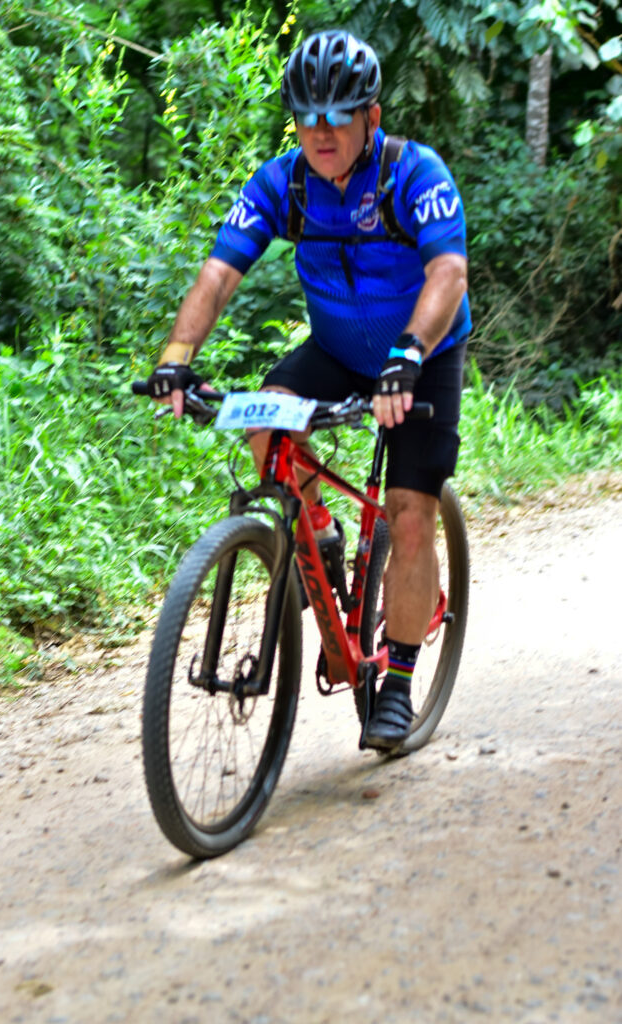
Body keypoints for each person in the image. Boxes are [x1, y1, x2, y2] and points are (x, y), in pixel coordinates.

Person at [145, 30, 471, 750]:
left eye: (338, 114)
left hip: (420, 354)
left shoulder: (413, 174)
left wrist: (408, 355)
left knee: (410, 513)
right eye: (307, 116)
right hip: (332, 351)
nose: (321, 132)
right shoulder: (281, 183)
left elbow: (447, 274)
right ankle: (316, 534)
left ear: (370, 117)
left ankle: (396, 683)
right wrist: (176, 357)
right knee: (264, 426)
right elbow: (218, 274)